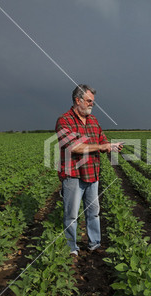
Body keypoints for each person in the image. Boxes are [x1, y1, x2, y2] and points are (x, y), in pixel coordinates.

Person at [55, 84, 123, 257]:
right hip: (73, 175)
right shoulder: (64, 120)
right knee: (71, 215)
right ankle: (71, 248)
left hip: (92, 174)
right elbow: (74, 147)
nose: (92, 104)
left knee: (93, 213)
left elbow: (102, 139)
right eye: (89, 101)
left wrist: (110, 146)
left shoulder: (93, 120)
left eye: (93, 101)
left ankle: (94, 244)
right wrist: (101, 146)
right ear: (78, 101)